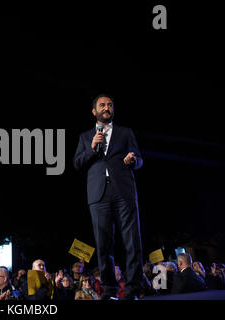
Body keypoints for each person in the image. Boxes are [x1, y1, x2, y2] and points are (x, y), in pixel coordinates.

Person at [74, 94, 144, 300]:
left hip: (124, 191)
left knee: (132, 241)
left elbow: (140, 160)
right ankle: (109, 290)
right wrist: (91, 148)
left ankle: (132, 290)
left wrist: (133, 160)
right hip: (98, 194)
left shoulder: (125, 132)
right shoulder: (85, 137)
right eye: (102, 105)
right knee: (103, 244)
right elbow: (77, 163)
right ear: (94, 111)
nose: (107, 108)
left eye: (110, 105)